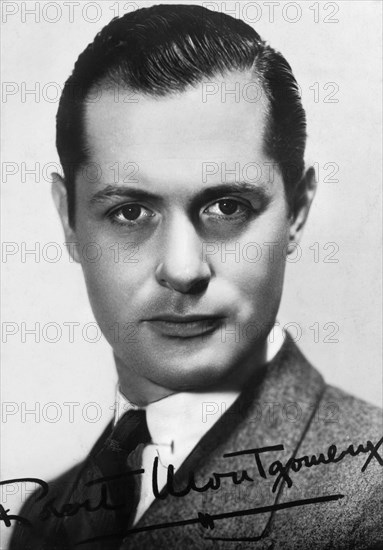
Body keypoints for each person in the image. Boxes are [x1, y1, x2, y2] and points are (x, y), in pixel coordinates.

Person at [10, 4, 382, 549]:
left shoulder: (371, 499)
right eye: (130, 213)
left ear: (298, 211)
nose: (183, 269)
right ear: (68, 219)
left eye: (227, 207)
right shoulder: (46, 517)